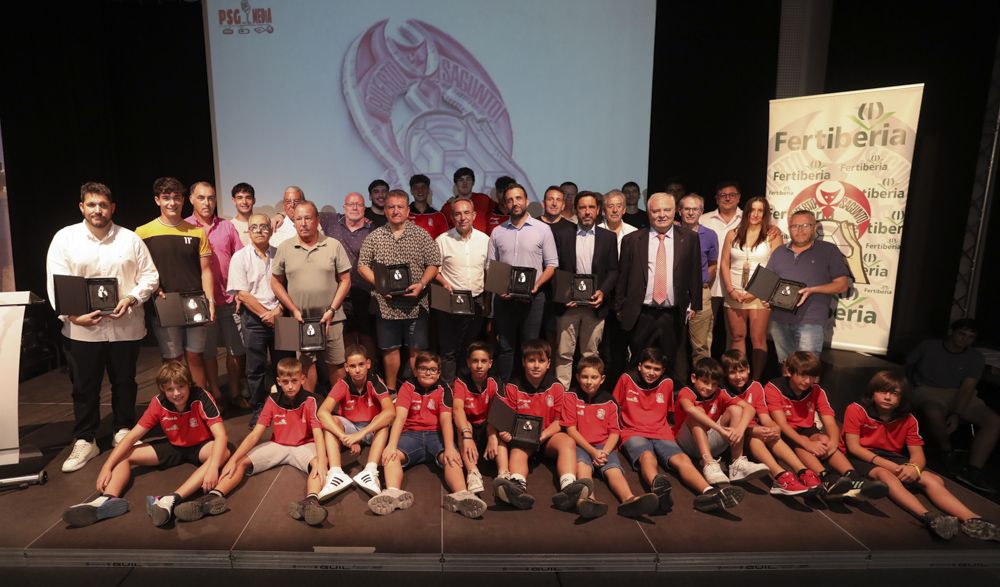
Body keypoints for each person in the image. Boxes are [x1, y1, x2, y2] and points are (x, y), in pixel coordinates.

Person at [46, 181, 159, 472]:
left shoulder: (130, 239)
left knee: (125, 381)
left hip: (126, 327)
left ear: (113, 208)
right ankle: (86, 439)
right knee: (84, 386)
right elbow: (56, 282)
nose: (98, 210)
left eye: (103, 204)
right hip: (82, 329)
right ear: (82, 206)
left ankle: (123, 430)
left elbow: (150, 276)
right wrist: (72, 316)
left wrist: (133, 298)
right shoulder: (65, 239)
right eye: (92, 204)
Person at [61, 361, 228, 527]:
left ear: (189, 385)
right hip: (174, 445)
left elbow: (220, 435)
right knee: (126, 454)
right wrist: (107, 466)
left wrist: (213, 468)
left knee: (223, 453)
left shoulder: (201, 397)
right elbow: (131, 437)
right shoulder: (158, 403)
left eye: (181, 387)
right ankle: (107, 500)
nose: (176, 393)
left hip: (201, 446)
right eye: (170, 389)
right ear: (162, 389)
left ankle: (171, 499)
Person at [841, 370, 1000, 541]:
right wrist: (895, 468)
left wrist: (914, 468)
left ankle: (972, 519)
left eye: (894, 394)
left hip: (891, 456)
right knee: (885, 475)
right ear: (872, 393)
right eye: (882, 391)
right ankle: (929, 517)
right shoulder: (856, 409)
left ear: (902, 398)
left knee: (932, 479)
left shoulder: (908, 419)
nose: (887, 397)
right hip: (861, 457)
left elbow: (918, 454)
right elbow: (854, 447)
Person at [184, 358, 330, 526]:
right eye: (286, 382)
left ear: (302, 379)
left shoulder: (312, 400)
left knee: (320, 464)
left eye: (294, 381)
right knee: (240, 462)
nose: (290, 386)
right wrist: (232, 460)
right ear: (279, 382)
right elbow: (255, 435)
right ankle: (213, 497)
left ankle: (310, 502)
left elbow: (318, 435)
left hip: (304, 445)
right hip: (278, 445)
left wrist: (321, 460)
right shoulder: (272, 400)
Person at [614, 348, 745, 512]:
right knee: (647, 457)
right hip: (633, 431)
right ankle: (658, 487)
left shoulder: (668, 383)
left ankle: (708, 493)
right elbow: (615, 406)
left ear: (663, 371)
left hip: (662, 432)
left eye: (656, 369)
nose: (651, 372)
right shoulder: (626, 378)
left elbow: (668, 412)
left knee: (682, 460)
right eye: (648, 367)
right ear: (639, 366)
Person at [371, 351, 488, 518]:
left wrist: (449, 447)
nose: (428, 373)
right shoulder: (407, 387)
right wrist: (390, 445)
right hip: (411, 435)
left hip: (435, 435)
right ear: (416, 371)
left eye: (433, 370)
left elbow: (446, 420)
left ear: (439, 373)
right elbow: (400, 417)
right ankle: (393, 492)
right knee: (391, 456)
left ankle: (462, 495)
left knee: (452, 458)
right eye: (424, 369)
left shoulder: (444, 389)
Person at [765, 351, 888, 501]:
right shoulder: (774, 388)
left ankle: (853, 476)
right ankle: (826, 477)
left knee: (823, 438)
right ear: (790, 372)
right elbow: (782, 424)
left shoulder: (817, 390)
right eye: (803, 375)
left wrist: (833, 442)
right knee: (803, 443)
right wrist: (807, 443)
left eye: (812, 377)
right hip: (785, 432)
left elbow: (830, 421)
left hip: (807, 429)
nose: (808, 381)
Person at [491, 340, 593, 512]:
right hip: (523, 439)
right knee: (517, 451)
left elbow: (558, 421)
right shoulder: (512, 386)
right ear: (523, 362)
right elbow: (504, 419)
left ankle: (569, 487)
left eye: (541, 361)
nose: (536, 365)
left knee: (567, 442)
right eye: (531, 360)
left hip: (547, 436)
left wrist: (542, 435)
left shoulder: (556, 387)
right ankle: (517, 488)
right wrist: (506, 432)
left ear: (549, 364)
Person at [135, 177, 215, 392]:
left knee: (195, 356)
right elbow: (138, 270)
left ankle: (201, 404)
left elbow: (206, 270)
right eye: (166, 198)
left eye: (176, 197)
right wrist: (152, 288)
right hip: (164, 304)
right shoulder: (142, 233)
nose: (172, 202)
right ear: (157, 200)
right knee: (172, 361)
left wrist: (210, 301)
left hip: (196, 303)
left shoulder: (197, 232)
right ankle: (174, 407)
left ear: (183, 200)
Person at [358, 189, 442, 391]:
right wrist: (380, 285)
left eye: (400, 207)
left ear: (407, 209)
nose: (395, 211)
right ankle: (392, 391)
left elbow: (434, 263)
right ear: (385, 210)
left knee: (416, 351)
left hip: (416, 303)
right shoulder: (375, 236)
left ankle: (416, 391)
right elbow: (362, 265)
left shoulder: (421, 235)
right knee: (389, 349)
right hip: (386, 304)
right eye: (391, 207)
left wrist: (422, 283)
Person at [906, 318, 1000, 494]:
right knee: (934, 412)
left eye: (970, 337)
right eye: (961, 334)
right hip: (928, 388)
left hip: (958, 392)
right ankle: (947, 450)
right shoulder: (929, 346)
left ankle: (974, 469)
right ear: (952, 332)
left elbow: (968, 387)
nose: (964, 339)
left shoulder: (975, 357)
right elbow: (907, 366)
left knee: (994, 421)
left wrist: (957, 413)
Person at [615, 193, 702, 378]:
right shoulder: (632, 240)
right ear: (648, 213)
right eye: (656, 210)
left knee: (672, 365)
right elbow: (623, 277)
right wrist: (619, 306)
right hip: (641, 313)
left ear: (675, 212)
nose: (661, 215)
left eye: (667, 210)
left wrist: (695, 304)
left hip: (673, 313)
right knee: (637, 362)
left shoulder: (689, 239)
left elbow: (695, 272)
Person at [563, 356, 659, 518]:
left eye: (594, 377)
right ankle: (587, 501)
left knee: (614, 470)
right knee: (582, 468)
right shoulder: (571, 397)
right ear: (578, 377)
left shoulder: (609, 401)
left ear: (602, 379)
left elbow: (615, 432)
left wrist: (604, 452)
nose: (589, 381)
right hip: (581, 445)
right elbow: (571, 430)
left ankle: (629, 500)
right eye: (585, 377)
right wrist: (592, 452)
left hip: (604, 447)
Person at [271, 200, 352, 391]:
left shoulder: (333, 245)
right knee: (303, 367)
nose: (303, 223)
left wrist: (332, 309)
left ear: (317, 220)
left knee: (337, 364)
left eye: (308, 218)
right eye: (298, 219)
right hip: (297, 320)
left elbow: (346, 280)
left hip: (331, 318)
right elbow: (275, 281)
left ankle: (341, 407)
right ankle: (308, 409)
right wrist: (292, 309)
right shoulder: (285, 247)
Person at [186, 181, 248, 410]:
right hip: (200, 302)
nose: (207, 202)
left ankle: (234, 391)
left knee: (237, 349)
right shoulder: (184, 228)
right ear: (191, 199)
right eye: (201, 198)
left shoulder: (227, 227)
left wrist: (242, 291)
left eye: (211, 198)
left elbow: (241, 259)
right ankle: (215, 395)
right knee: (208, 351)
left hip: (230, 298)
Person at [487, 183, 558, 380]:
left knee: (530, 347)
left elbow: (551, 265)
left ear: (526, 201)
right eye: (510, 200)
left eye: (518, 198)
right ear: (505, 204)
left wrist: (536, 285)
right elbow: (491, 266)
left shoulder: (542, 229)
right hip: (504, 298)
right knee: (505, 347)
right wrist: (499, 288)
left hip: (533, 298)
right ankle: (504, 390)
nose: (514, 203)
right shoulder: (497, 232)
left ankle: (527, 390)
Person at [720, 350, 814, 496]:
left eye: (741, 371)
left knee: (771, 434)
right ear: (726, 374)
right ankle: (780, 476)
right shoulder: (722, 390)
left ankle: (802, 471)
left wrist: (774, 427)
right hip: (728, 438)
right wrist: (753, 431)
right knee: (755, 436)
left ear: (749, 369)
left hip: (750, 431)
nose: (738, 376)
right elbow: (725, 424)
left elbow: (765, 418)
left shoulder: (756, 387)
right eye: (732, 372)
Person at [227, 213, 292, 421]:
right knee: (255, 367)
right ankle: (258, 411)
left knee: (285, 365)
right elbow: (242, 294)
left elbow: (290, 286)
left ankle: (286, 408)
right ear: (248, 231)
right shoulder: (239, 257)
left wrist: (279, 311)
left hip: (283, 314)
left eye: (264, 227)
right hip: (254, 318)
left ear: (271, 230)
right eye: (254, 227)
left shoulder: (281, 254)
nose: (259, 231)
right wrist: (267, 314)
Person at [552, 191, 619, 388]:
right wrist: (564, 294)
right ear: (576, 211)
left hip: (594, 305)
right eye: (582, 208)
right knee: (563, 353)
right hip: (568, 305)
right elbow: (555, 269)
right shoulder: (562, 235)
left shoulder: (608, 237)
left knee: (590, 354)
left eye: (591, 207)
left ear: (598, 210)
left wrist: (603, 292)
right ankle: (561, 394)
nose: (587, 212)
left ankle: (588, 394)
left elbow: (614, 271)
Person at [766, 209, 850, 361]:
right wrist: (765, 298)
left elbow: (842, 285)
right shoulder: (779, 252)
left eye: (805, 225)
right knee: (786, 367)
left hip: (810, 320)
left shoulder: (828, 250)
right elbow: (768, 283)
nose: (800, 230)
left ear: (814, 227)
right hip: (779, 320)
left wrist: (813, 290)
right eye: (795, 226)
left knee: (807, 370)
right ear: (789, 228)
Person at [316, 344, 394, 500]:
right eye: (352, 366)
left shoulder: (375, 381)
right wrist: (345, 438)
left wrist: (361, 434)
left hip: (371, 428)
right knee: (330, 421)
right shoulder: (342, 384)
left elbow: (390, 411)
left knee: (383, 420)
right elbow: (322, 412)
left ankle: (370, 471)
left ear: (368, 364)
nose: (357, 370)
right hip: (350, 429)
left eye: (361, 365)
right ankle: (336, 473)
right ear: (346, 367)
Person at [675, 357, 770, 485]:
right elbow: (690, 410)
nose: (709, 387)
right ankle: (708, 463)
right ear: (693, 378)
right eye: (705, 382)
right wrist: (720, 429)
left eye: (714, 384)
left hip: (711, 442)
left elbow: (749, 408)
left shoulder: (720, 393)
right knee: (697, 413)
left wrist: (740, 429)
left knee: (736, 410)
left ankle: (737, 464)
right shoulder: (686, 392)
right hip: (687, 443)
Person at [720, 196, 782, 381]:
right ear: (746, 212)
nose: (755, 214)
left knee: (758, 339)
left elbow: (776, 266)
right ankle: (739, 378)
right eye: (752, 210)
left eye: (760, 210)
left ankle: (755, 381)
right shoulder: (733, 233)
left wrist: (754, 292)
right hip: (735, 292)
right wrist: (731, 290)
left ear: (765, 214)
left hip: (760, 293)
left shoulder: (773, 234)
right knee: (737, 336)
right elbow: (724, 263)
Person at [434, 197, 489, 382]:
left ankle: (466, 389)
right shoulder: (442, 240)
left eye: (466, 213)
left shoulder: (485, 240)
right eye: (457, 213)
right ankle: (448, 391)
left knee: (470, 348)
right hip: (449, 300)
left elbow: (489, 271)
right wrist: (444, 283)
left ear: (474, 215)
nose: (462, 217)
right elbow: (434, 270)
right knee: (448, 349)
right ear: (452, 217)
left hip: (476, 301)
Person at [324, 192, 377, 361]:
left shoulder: (373, 230)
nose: (354, 207)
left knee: (367, 335)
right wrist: (280, 215)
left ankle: (371, 372)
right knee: (344, 335)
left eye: (359, 204)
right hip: (339, 293)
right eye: (351, 204)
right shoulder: (330, 222)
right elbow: (302, 210)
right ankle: (348, 374)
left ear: (364, 208)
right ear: (344, 207)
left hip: (365, 291)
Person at [451, 342, 505, 495]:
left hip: (488, 425)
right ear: (468, 363)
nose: (479, 365)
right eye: (475, 361)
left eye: (483, 361)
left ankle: (503, 475)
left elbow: (499, 413)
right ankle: (473, 472)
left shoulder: (495, 382)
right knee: (463, 426)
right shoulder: (461, 381)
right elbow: (457, 409)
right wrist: (467, 435)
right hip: (470, 426)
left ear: (490, 363)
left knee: (501, 432)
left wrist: (493, 435)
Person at [598, 189, 637, 382]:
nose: (614, 210)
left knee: (621, 344)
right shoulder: (595, 231)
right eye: (610, 206)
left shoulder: (635, 234)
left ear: (624, 209)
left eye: (618, 206)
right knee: (600, 344)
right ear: (604, 210)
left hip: (625, 297)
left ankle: (619, 384)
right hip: (600, 294)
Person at [678, 193, 720, 377]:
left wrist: (701, 285)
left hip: (701, 293)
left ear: (701, 211)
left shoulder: (710, 235)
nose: (690, 212)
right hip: (676, 293)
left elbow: (712, 265)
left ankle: (704, 384)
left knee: (701, 345)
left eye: (694, 209)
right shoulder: (670, 232)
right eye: (686, 208)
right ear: (679, 211)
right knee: (674, 342)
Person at [700, 181, 744, 354]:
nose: (727, 198)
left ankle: (731, 371)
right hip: (709, 283)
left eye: (732, 195)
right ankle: (706, 372)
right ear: (716, 199)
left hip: (737, 285)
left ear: (739, 198)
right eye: (723, 195)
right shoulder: (704, 219)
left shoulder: (748, 220)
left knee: (735, 334)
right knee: (705, 331)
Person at [441, 167, 494, 234]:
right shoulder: (448, 207)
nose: (465, 183)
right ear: (456, 184)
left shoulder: (484, 199)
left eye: (468, 179)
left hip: (482, 243)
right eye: (461, 180)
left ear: (473, 182)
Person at [408, 174, 449, 240]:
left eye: (423, 187)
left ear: (428, 190)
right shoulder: (404, 215)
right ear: (411, 191)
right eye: (416, 188)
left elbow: (445, 242)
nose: (420, 190)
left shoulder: (439, 216)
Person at [228, 182, 256, 246]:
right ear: (234, 201)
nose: (244, 202)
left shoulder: (263, 223)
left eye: (248, 198)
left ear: (254, 200)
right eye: (240, 198)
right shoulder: (229, 226)